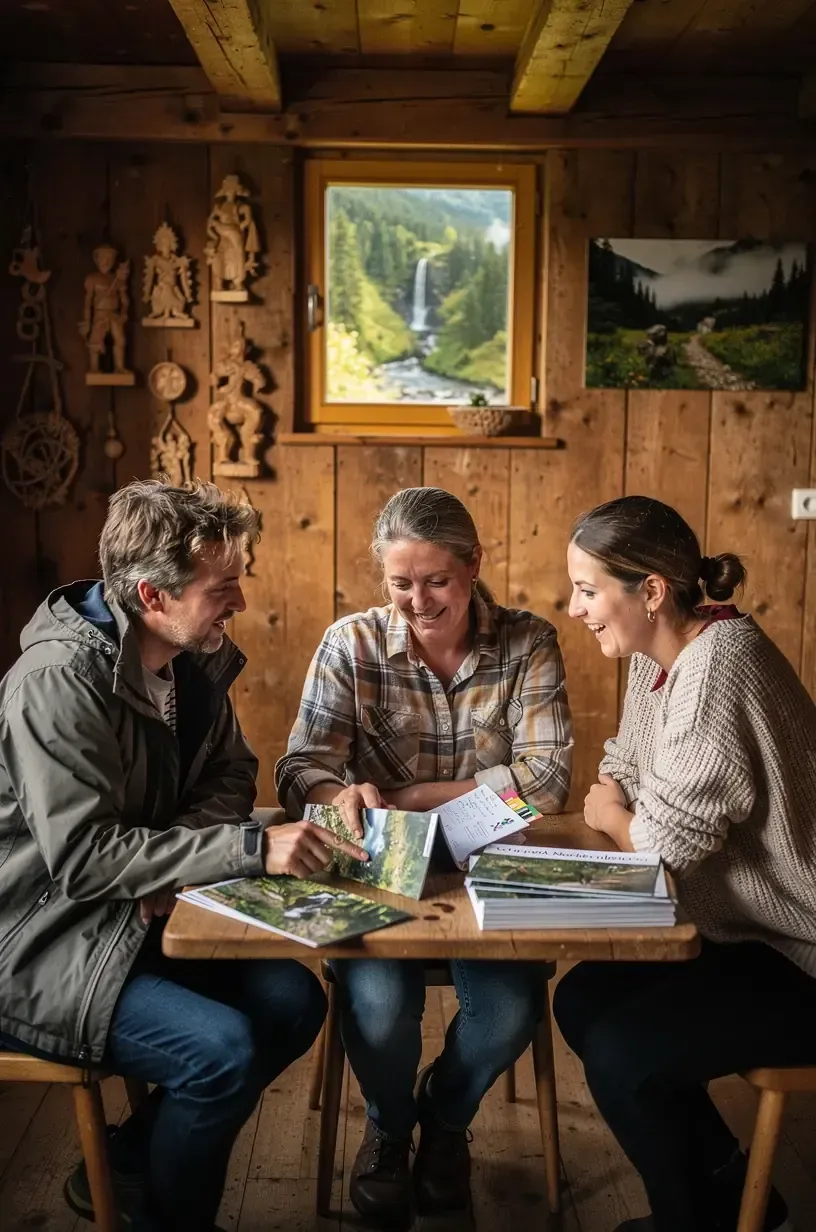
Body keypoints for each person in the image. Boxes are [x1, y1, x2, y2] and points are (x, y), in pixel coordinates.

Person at [0, 478, 368, 1232]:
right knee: (221, 1053)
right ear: (151, 594)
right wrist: (239, 851)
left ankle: (132, 1163)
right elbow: (84, 859)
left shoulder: (189, 654)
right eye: (220, 588)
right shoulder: (57, 683)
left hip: (131, 918)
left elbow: (233, 771)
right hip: (42, 941)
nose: (237, 603)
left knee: (296, 1003)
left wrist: (181, 860)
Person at [276, 486, 573, 1226]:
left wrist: (401, 796)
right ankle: (389, 1126)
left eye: (437, 579)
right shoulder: (352, 642)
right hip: (378, 869)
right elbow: (300, 766)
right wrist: (335, 793)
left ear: (474, 565)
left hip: (488, 872)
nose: (418, 600)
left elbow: (548, 781)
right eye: (401, 583)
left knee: (508, 1012)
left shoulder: (528, 641)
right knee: (377, 1008)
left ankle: (444, 1120)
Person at [555, 494, 816, 1232]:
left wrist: (613, 817)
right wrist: (623, 810)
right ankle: (737, 1203)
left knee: (624, 1056)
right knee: (582, 1001)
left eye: (586, 588)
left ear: (652, 591)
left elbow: (661, 840)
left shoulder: (718, 668)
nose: (575, 608)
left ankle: (690, 1221)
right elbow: (626, 769)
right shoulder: (661, 657)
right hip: (751, 933)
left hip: (802, 949)